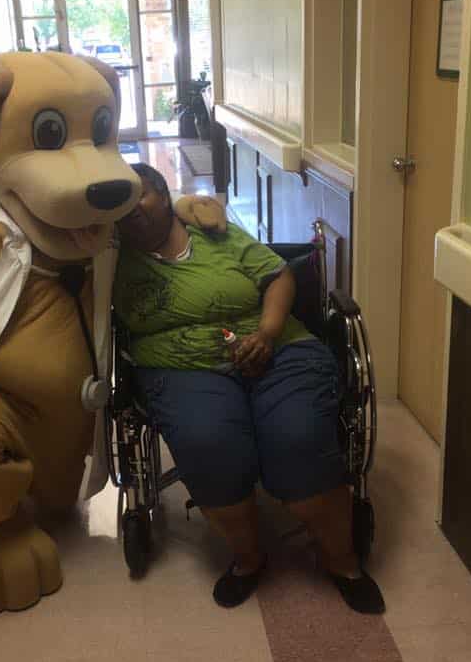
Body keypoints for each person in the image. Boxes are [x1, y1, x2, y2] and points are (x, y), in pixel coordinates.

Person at [113, 164, 384, 613]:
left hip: (279, 346)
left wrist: (267, 333)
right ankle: (248, 559)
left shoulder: (217, 234)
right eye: (120, 201)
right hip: (182, 368)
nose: (131, 210)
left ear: (163, 193)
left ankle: (343, 562)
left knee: (296, 437)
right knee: (209, 441)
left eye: (140, 195)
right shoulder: (108, 252)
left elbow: (278, 276)